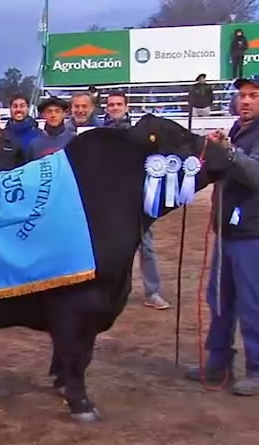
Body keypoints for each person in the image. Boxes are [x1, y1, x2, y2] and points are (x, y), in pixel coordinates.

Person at [185, 74, 259, 396]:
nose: (244, 100)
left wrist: (229, 152)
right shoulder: (240, 130)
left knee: (251, 302)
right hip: (229, 229)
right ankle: (218, 361)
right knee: (219, 298)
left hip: (254, 231)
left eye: (252, 95)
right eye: (241, 95)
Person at [102, 91, 170, 310]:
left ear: (126, 106)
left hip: (138, 198)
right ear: (106, 108)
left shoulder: (140, 131)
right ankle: (113, 291)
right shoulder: (98, 132)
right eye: (111, 104)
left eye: (118, 104)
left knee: (146, 247)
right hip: (109, 198)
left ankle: (153, 291)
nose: (114, 107)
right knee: (111, 248)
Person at [25, 96, 75, 160]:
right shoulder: (34, 144)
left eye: (57, 111)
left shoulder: (73, 139)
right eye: (49, 111)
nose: (53, 115)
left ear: (64, 114)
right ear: (43, 115)